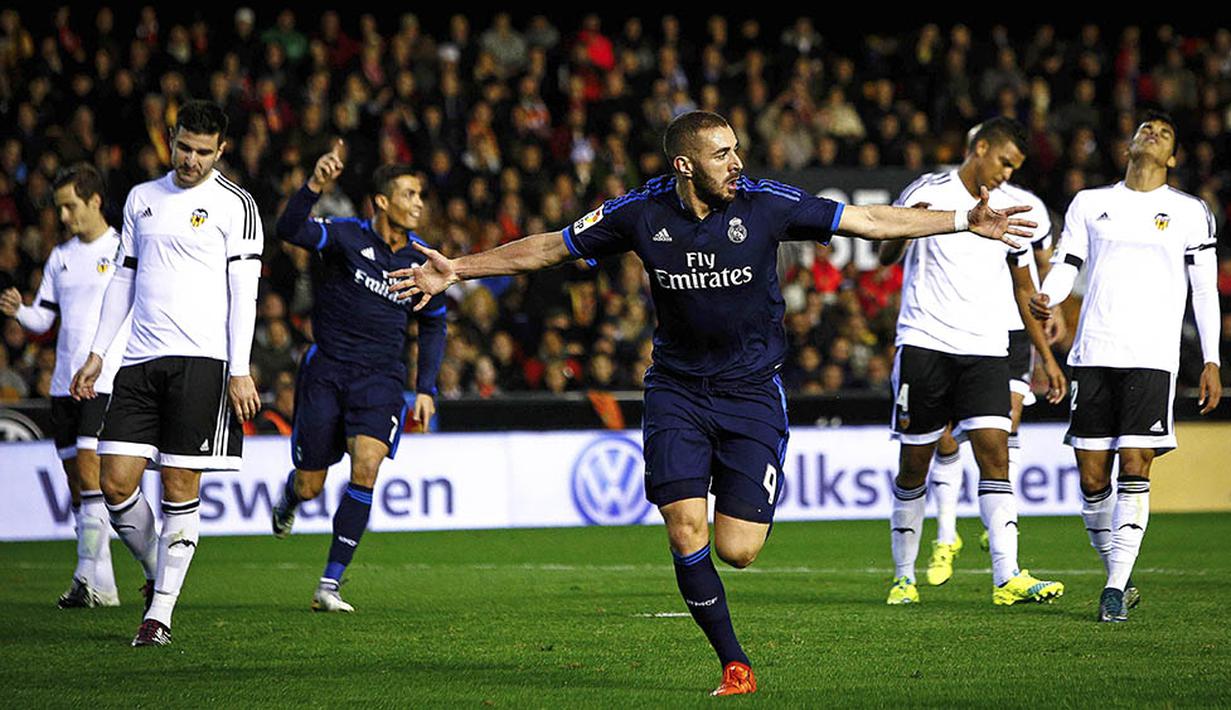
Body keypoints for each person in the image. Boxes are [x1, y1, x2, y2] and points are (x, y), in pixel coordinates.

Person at [387, 110, 1035, 696]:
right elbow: (552, 246)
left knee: (739, 549)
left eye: (735, 150)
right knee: (684, 528)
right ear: (684, 165)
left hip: (751, 393)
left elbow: (867, 221)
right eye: (722, 154)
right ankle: (733, 663)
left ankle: (741, 546)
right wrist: (459, 269)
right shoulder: (639, 213)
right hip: (675, 392)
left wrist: (959, 221)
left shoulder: (766, 204)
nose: (736, 163)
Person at [71, 100, 263, 647]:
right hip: (138, 360)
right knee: (114, 482)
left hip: (202, 363)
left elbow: (243, 294)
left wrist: (240, 369)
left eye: (204, 152)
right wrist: (99, 353)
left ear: (220, 151)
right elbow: (123, 280)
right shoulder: (142, 199)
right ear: (170, 139)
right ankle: (162, 573)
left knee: (179, 485)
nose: (192, 160)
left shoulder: (237, 206)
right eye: (184, 147)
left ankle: (159, 615)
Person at [1030, 111, 1222, 622]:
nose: (1153, 134)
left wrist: (1211, 359)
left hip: (1151, 358)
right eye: (1145, 129)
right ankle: (1121, 570)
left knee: (1135, 465)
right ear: (1129, 147)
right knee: (1093, 482)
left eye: (1164, 133)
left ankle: (1113, 589)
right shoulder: (1092, 203)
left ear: (1173, 157)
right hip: (1093, 353)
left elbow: (1204, 289)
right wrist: (1045, 299)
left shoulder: (1189, 212)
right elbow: (1066, 265)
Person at [880, 117, 1068, 607]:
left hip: (987, 349)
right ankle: (904, 575)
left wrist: (1047, 358)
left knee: (996, 455)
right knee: (914, 465)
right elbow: (883, 254)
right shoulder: (929, 189)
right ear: (980, 148)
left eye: (1014, 167)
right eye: (1004, 161)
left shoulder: (1012, 210)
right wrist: (904, 231)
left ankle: (1007, 576)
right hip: (925, 344)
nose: (1007, 173)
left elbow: (1025, 289)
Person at [269, 142, 446, 613]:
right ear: (383, 201)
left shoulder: (422, 262)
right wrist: (313, 186)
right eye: (410, 194)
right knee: (311, 486)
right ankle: (290, 497)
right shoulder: (345, 237)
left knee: (366, 466)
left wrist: (425, 387)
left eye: (421, 195)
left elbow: (433, 323)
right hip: (327, 371)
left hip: (381, 381)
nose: (419, 203)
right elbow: (289, 229)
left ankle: (330, 583)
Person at [0, 164, 126, 608]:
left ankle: (84, 577)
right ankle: (103, 586)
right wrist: (20, 310)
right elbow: (45, 319)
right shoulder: (61, 257)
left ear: (94, 201)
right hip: (62, 384)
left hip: (103, 380)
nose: (65, 217)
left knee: (93, 478)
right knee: (78, 487)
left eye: (70, 207)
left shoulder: (124, 250)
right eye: (60, 209)